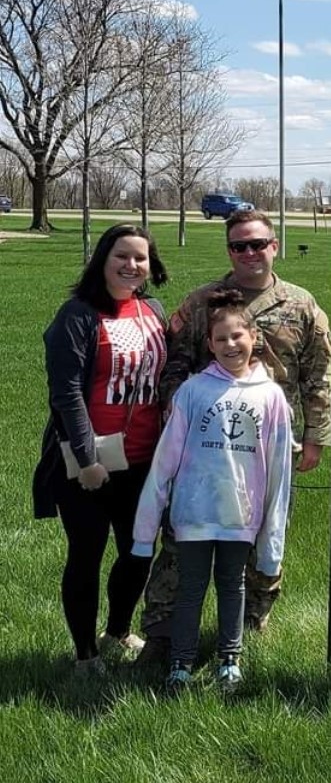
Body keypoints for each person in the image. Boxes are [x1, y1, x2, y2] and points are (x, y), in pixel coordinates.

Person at [138, 209, 331, 662]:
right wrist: (175, 413)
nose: (250, 253)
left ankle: (249, 625)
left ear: (274, 246)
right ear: (229, 250)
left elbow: (318, 375)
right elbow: (175, 363)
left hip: (266, 447)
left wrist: (317, 436)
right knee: (181, 537)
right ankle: (163, 632)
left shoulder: (301, 305)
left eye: (258, 244)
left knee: (264, 527)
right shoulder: (204, 302)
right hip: (204, 448)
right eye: (239, 246)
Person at [132, 289, 293, 691]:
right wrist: (144, 532)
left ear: (254, 337)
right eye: (220, 339)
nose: (230, 345)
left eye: (237, 336)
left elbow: (278, 470)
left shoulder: (271, 397)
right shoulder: (192, 392)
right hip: (194, 516)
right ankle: (180, 665)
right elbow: (164, 463)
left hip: (240, 516)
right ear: (209, 345)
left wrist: (272, 542)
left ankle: (229, 661)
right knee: (190, 589)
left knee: (232, 586)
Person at [32, 224, 168, 675]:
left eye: (140, 258)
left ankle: (118, 630)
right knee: (86, 553)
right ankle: (85, 655)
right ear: (103, 261)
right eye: (121, 257)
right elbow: (66, 392)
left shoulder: (153, 310)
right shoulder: (77, 314)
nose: (132, 265)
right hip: (88, 463)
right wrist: (87, 459)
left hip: (145, 459)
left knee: (137, 550)